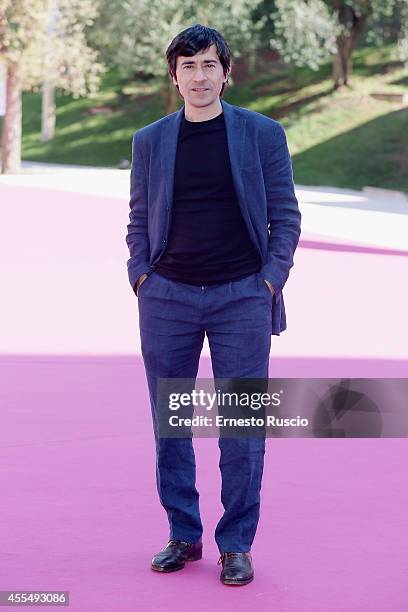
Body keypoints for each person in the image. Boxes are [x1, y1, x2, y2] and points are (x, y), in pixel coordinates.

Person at [125, 23, 301, 586]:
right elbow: (137, 220)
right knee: (172, 424)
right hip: (167, 298)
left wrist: (269, 281)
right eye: (187, 67)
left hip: (241, 298)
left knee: (242, 425)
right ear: (173, 77)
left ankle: (236, 543)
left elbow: (286, 217)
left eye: (208, 66)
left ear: (227, 72)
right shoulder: (150, 140)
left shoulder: (262, 134)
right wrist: (140, 277)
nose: (198, 77)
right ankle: (183, 533)